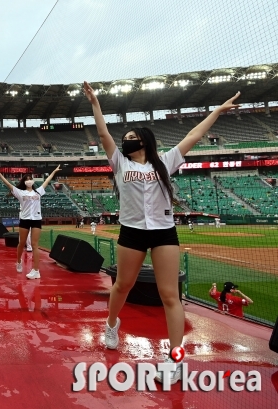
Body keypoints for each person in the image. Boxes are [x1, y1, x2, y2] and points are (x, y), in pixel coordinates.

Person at [83, 80, 240, 384]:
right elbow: (103, 134)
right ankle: (112, 324)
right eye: (125, 137)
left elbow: (194, 135)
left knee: (171, 295)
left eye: (131, 137)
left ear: (144, 141)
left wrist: (218, 111)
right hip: (131, 232)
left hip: (164, 232)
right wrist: (95, 104)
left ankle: (176, 359)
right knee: (123, 286)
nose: (125, 140)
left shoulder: (166, 161)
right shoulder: (119, 162)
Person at [0, 166, 60, 279]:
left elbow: (47, 181)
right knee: (21, 243)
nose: (29, 180)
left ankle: (36, 270)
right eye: (27, 178)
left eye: (30, 178)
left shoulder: (38, 192)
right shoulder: (20, 192)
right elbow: (8, 184)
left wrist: (53, 172)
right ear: (24, 181)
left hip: (36, 220)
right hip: (25, 220)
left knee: (35, 245)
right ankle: (19, 261)